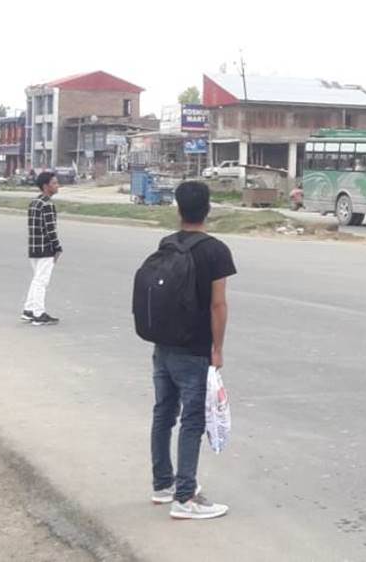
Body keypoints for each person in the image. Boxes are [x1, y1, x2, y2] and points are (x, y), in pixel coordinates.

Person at [147, 180, 235, 520]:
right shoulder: (215, 250)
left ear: (178, 208)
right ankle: (185, 497)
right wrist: (218, 348)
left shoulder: (167, 244)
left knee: (163, 414)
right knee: (192, 420)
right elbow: (218, 305)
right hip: (193, 348)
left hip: (163, 345)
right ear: (208, 208)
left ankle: (162, 485)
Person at [24, 171, 63, 325]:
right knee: (41, 281)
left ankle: (29, 310)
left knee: (36, 280)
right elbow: (50, 229)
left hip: (33, 247)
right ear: (46, 186)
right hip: (45, 248)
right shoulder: (47, 204)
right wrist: (57, 247)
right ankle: (39, 314)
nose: (57, 185)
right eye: (54, 183)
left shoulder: (34, 202)